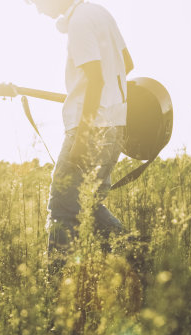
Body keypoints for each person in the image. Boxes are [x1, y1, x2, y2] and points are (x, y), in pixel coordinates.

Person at [28, 0, 134, 269]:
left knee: (62, 207)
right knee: (86, 206)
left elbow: (96, 79)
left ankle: (56, 284)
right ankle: (136, 257)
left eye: (36, 1)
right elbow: (127, 64)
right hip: (113, 128)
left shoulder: (79, 21)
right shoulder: (100, 12)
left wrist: (83, 136)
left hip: (89, 130)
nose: (38, 10)